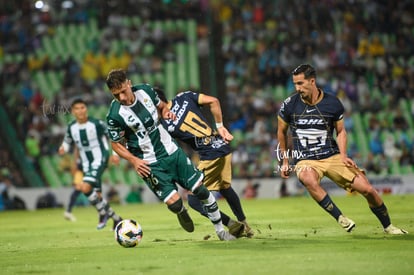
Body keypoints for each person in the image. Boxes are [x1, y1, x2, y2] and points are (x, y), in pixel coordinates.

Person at [105, 68, 235, 241]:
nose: (121, 97)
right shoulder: (114, 115)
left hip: (171, 152)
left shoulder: (146, 91)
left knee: (201, 191)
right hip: (149, 164)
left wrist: (165, 111)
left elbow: (162, 106)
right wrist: (134, 161)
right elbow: (115, 144)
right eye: (116, 95)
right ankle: (181, 211)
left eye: (122, 91)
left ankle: (221, 231)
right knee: (174, 204)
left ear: (129, 83)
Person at [277, 64, 408, 235]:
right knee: (308, 179)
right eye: (295, 84)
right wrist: (286, 161)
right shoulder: (289, 105)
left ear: (312, 81)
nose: (297, 88)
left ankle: (388, 226)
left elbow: (341, 131)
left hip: (332, 156)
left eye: (301, 83)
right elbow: (281, 132)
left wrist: (344, 155)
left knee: (368, 190)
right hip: (305, 158)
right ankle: (340, 217)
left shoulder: (332, 103)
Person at [156, 88, 252, 237]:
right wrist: (220, 126)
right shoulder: (184, 96)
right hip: (222, 145)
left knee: (194, 200)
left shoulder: (164, 124)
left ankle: (231, 224)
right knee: (225, 188)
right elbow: (214, 100)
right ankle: (245, 225)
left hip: (210, 155)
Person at [58, 98, 123, 230]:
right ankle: (116, 219)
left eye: (82, 107)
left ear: (86, 109)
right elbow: (67, 140)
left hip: (100, 158)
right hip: (86, 163)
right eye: (77, 108)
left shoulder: (96, 123)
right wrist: (63, 147)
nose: (80, 111)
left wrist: (115, 154)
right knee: (96, 196)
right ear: (73, 111)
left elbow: (112, 136)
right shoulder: (72, 127)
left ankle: (102, 213)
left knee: (84, 187)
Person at [63, 147, 83, 222]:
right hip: (82, 175)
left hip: (84, 175)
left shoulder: (81, 157)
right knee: (76, 193)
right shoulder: (79, 158)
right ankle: (68, 211)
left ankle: (68, 211)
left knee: (77, 193)